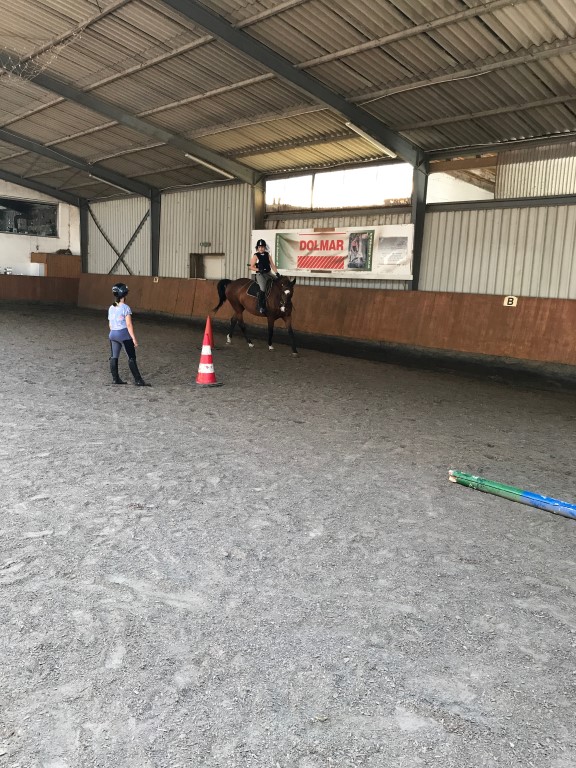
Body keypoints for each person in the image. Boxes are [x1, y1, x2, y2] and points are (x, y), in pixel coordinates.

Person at [108, 282, 150, 386]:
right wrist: (133, 338)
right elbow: (129, 325)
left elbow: (110, 324)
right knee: (131, 357)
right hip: (123, 335)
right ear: (124, 294)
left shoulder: (112, 307)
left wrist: (114, 332)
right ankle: (138, 380)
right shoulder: (126, 307)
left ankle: (115, 379)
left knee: (114, 356)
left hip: (112, 334)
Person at [249, 238, 281, 314]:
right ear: (257, 248)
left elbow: (272, 265)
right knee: (263, 288)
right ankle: (261, 306)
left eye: (262, 247)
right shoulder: (256, 256)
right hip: (260, 274)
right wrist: (258, 269)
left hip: (268, 273)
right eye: (259, 247)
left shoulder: (267, 255)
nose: (261, 248)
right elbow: (251, 267)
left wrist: (277, 273)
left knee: (279, 282)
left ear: (264, 247)